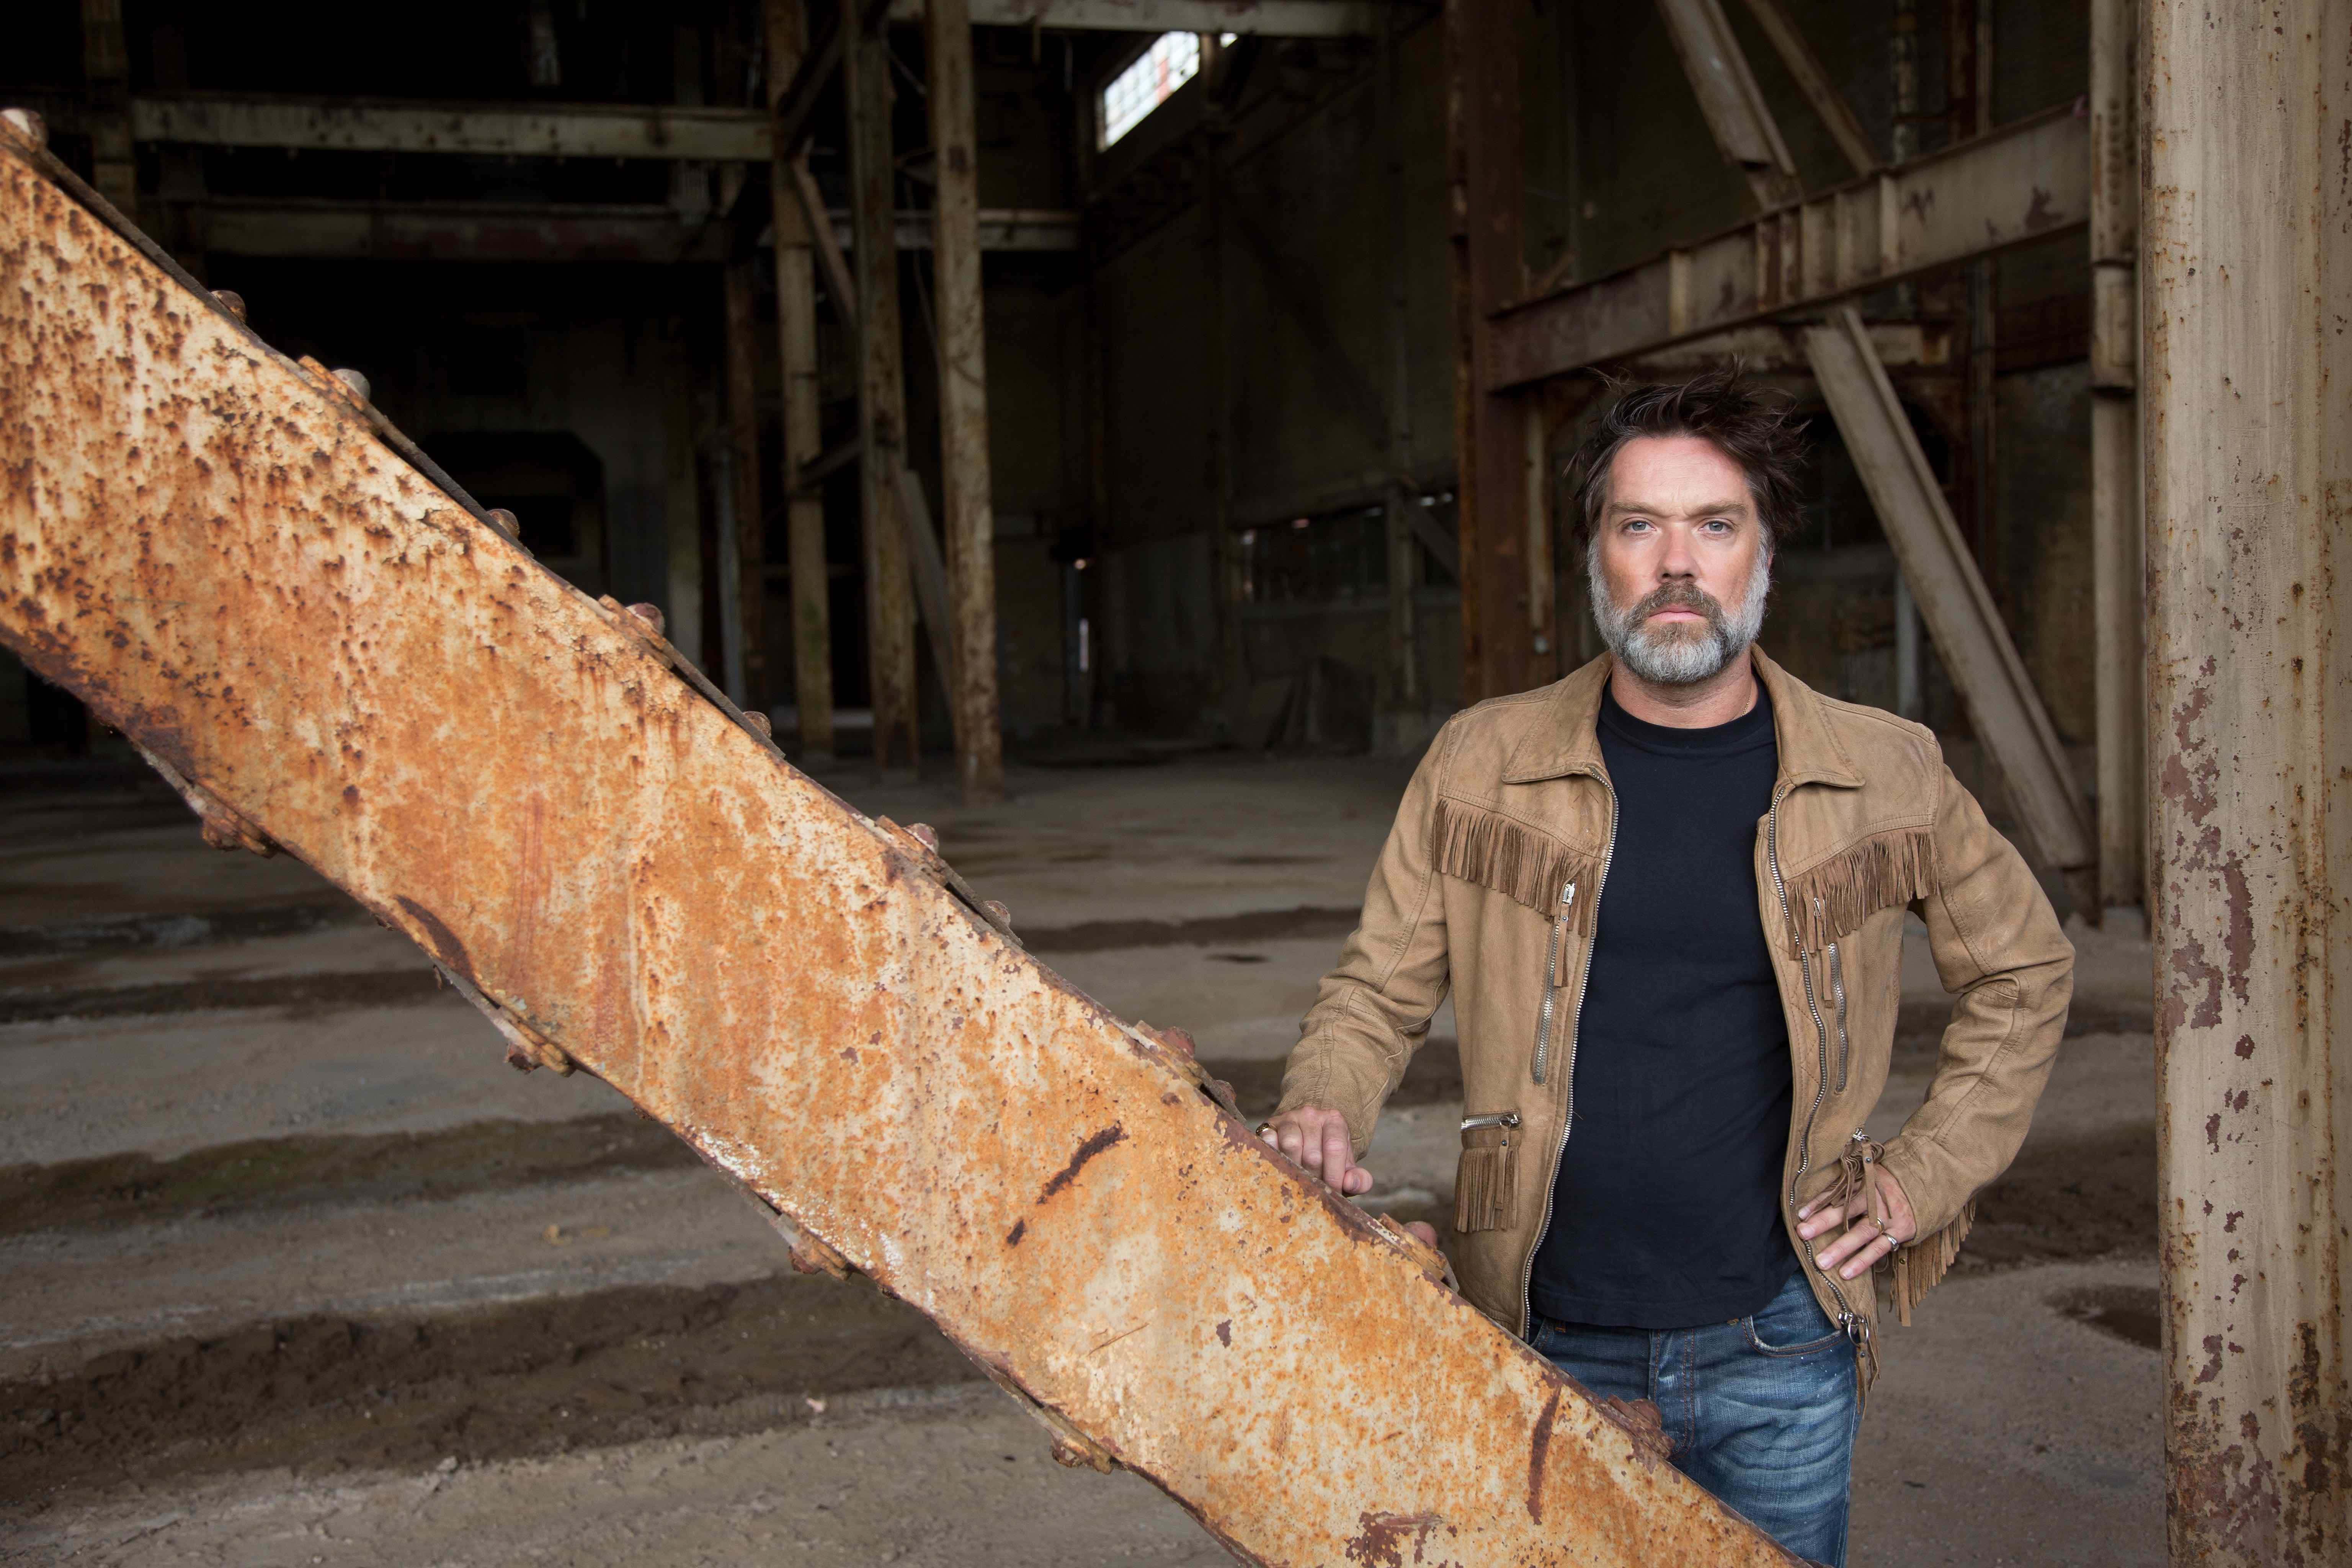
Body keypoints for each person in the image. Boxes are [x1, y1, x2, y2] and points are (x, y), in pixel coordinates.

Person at [1258, 371, 2073, 1566]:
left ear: (1764, 555)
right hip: (1539, 1332)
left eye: (1716, 525)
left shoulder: (1884, 773)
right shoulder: (1482, 762)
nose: (1677, 564)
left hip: (1781, 1344)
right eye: (1640, 525)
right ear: (1596, 556)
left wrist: (1926, 1174)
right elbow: (1376, 992)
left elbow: (2025, 968)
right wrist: (1322, 1102)